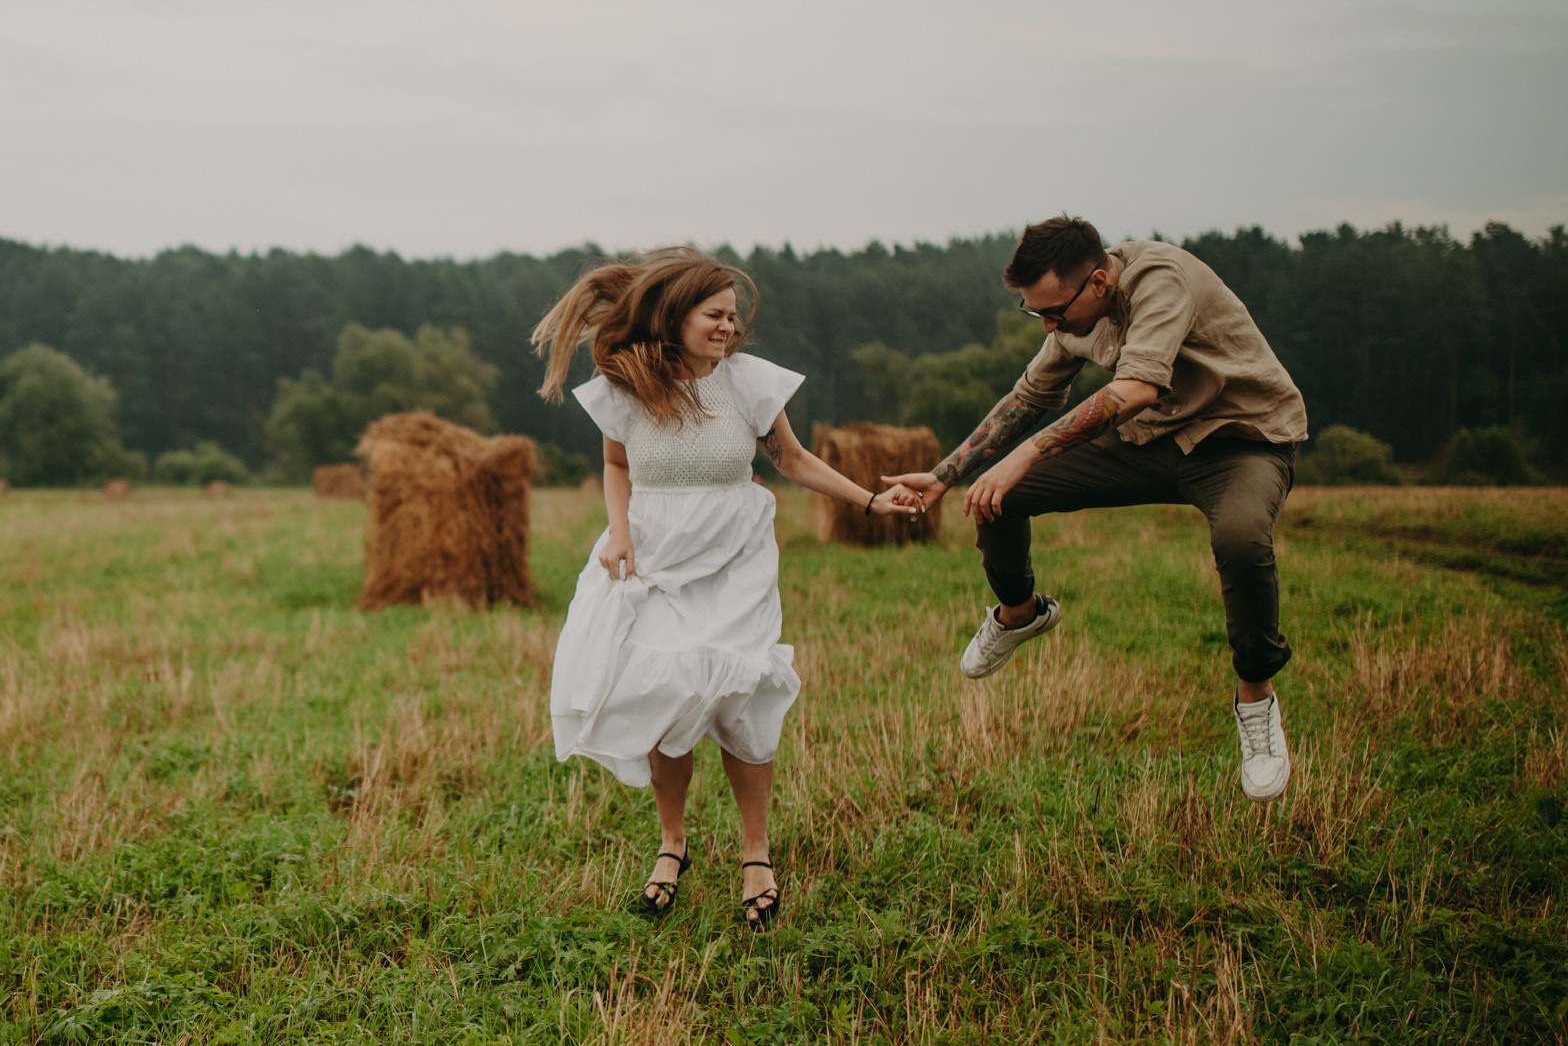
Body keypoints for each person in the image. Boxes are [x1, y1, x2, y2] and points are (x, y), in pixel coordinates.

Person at [533, 249, 922, 924]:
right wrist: (617, 532)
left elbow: (793, 460)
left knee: (741, 695)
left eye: (733, 317)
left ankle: (755, 850)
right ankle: (672, 841)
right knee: (665, 692)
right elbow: (616, 465)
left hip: (735, 556)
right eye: (714, 315)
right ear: (676, 316)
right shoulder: (628, 387)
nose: (728, 327)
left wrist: (867, 501)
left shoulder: (747, 383)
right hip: (655, 554)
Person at [880, 216, 1308, 799]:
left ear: (1100, 282)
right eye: (1036, 314)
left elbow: (1135, 390)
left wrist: (1027, 454)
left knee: (1239, 539)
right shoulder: (1071, 317)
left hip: (1242, 440)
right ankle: (1020, 612)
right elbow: (1028, 398)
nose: (1048, 325)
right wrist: (944, 475)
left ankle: (1256, 701)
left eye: (1054, 312)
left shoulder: (1162, 279)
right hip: (1153, 441)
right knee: (1003, 495)